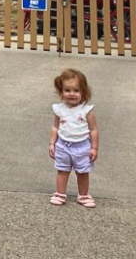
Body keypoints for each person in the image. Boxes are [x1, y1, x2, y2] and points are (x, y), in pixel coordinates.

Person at [49, 68, 98, 208]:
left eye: (76, 90)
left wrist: (94, 147)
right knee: (62, 171)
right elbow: (55, 127)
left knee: (82, 172)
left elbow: (94, 130)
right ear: (61, 92)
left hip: (82, 147)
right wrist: (52, 143)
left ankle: (83, 195)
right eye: (67, 90)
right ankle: (60, 193)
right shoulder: (59, 109)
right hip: (63, 145)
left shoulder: (86, 111)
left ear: (83, 92)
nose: (72, 94)